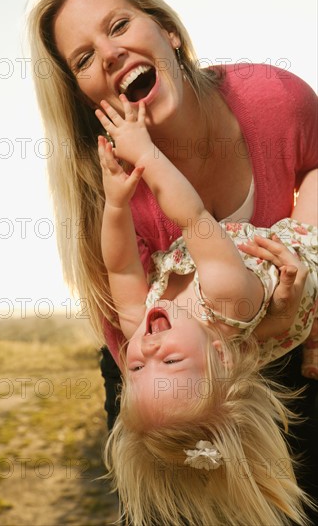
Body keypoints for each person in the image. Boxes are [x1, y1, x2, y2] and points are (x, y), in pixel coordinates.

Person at [27, 0, 318, 517]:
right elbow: (179, 234)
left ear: (166, 30)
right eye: (85, 58)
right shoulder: (210, 301)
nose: (111, 54)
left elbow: (138, 263)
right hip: (231, 344)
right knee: (174, 500)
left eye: (119, 26)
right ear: (84, 94)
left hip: (277, 313)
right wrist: (122, 192)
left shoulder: (275, 100)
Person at [96, 95, 317, 525]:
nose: (149, 349)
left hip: (266, 297)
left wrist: (116, 204)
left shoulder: (139, 326)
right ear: (218, 355)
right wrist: (145, 153)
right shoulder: (226, 297)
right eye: (172, 361)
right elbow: (193, 216)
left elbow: (121, 268)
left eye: (137, 369)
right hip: (300, 256)